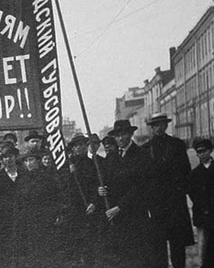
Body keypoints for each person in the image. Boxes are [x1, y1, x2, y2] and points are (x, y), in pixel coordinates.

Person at [97, 119, 154, 268]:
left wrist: (120, 207)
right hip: (117, 218)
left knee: (137, 256)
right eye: (117, 136)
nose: (120, 138)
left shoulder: (141, 155)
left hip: (135, 215)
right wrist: (102, 190)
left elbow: (140, 187)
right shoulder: (112, 157)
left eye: (123, 134)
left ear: (130, 134)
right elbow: (109, 181)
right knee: (121, 256)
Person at [140, 113, 193, 268]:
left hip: (175, 202)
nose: (158, 128)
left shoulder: (177, 145)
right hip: (156, 205)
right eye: (155, 125)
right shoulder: (146, 149)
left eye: (161, 124)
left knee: (178, 243)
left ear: (166, 125)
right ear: (151, 128)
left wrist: (180, 190)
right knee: (158, 245)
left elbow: (186, 171)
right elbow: (143, 179)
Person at [17, 149, 65, 268]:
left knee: (45, 251)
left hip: (45, 219)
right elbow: (18, 202)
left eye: (31, 160)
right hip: (27, 221)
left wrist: (58, 214)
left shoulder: (47, 179)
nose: (29, 163)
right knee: (30, 252)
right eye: (26, 161)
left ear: (38, 161)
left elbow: (57, 197)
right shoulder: (21, 180)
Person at [64, 133, 100, 268]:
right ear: (72, 149)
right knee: (74, 245)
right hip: (73, 210)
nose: (79, 148)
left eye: (81, 145)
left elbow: (98, 185)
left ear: (86, 146)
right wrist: (70, 173)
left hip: (89, 208)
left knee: (89, 245)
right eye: (76, 146)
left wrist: (94, 203)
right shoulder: (67, 166)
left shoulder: (93, 164)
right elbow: (65, 188)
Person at [0, 145, 24, 268]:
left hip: (22, 221)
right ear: (2, 160)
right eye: (5, 157)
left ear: (15, 157)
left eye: (11, 156)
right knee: (3, 255)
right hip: (3, 223)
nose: (9, 159)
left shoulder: (24, 175)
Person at [188, 137, 214, 268]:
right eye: (198, 152)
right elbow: (192, 194)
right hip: (203, 216)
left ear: (210, 151)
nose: (201, 154)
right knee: (203, 247)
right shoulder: (194, 174)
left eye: (204, 151)